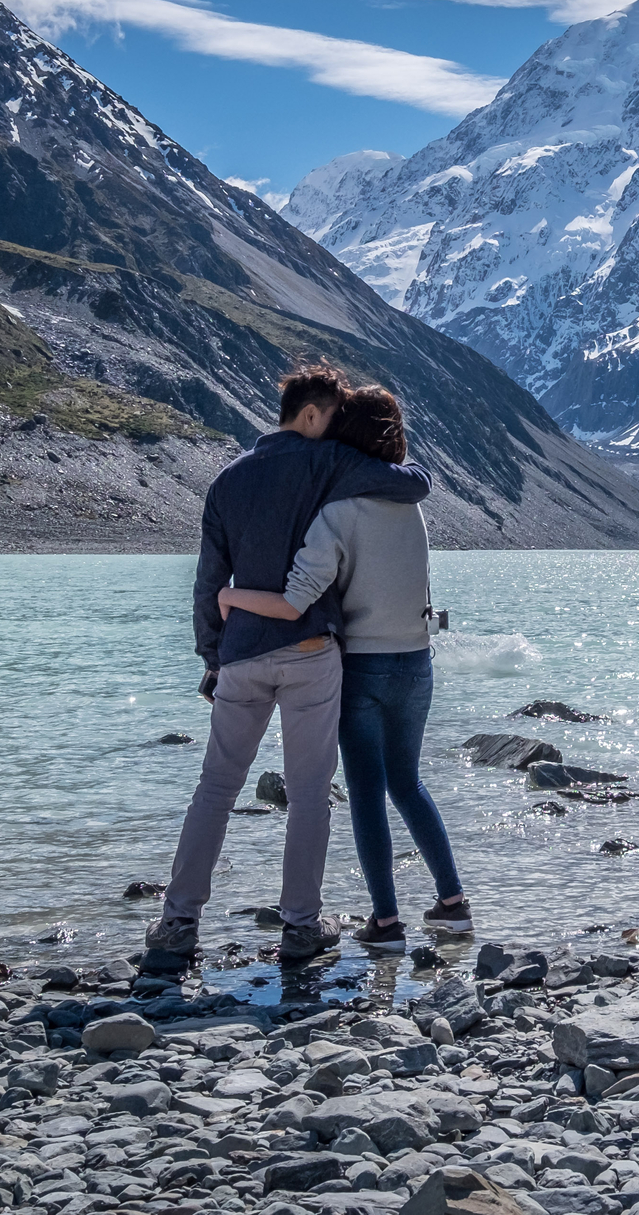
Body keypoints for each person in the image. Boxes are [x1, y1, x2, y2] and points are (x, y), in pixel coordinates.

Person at [147, 364, 432, 968]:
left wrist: (211, 659)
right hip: (309, 654)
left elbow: (208, 583)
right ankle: (301, 928)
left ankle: (178, 924)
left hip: (241, 654)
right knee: (308, 795)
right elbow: (413, 484)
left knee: (215, 788)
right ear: (310, 415)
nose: (339, 429)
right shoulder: (325, 461)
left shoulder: (226, 481)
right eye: (333, 417)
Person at [218, 385, 471, 949]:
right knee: (408, 783)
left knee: (365, 792)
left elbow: (293, 601)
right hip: (415, 662)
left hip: (360, 668)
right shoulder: (408, 506)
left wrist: (233, 599)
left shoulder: (336, 513)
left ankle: (385, 921)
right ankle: (452, 903)